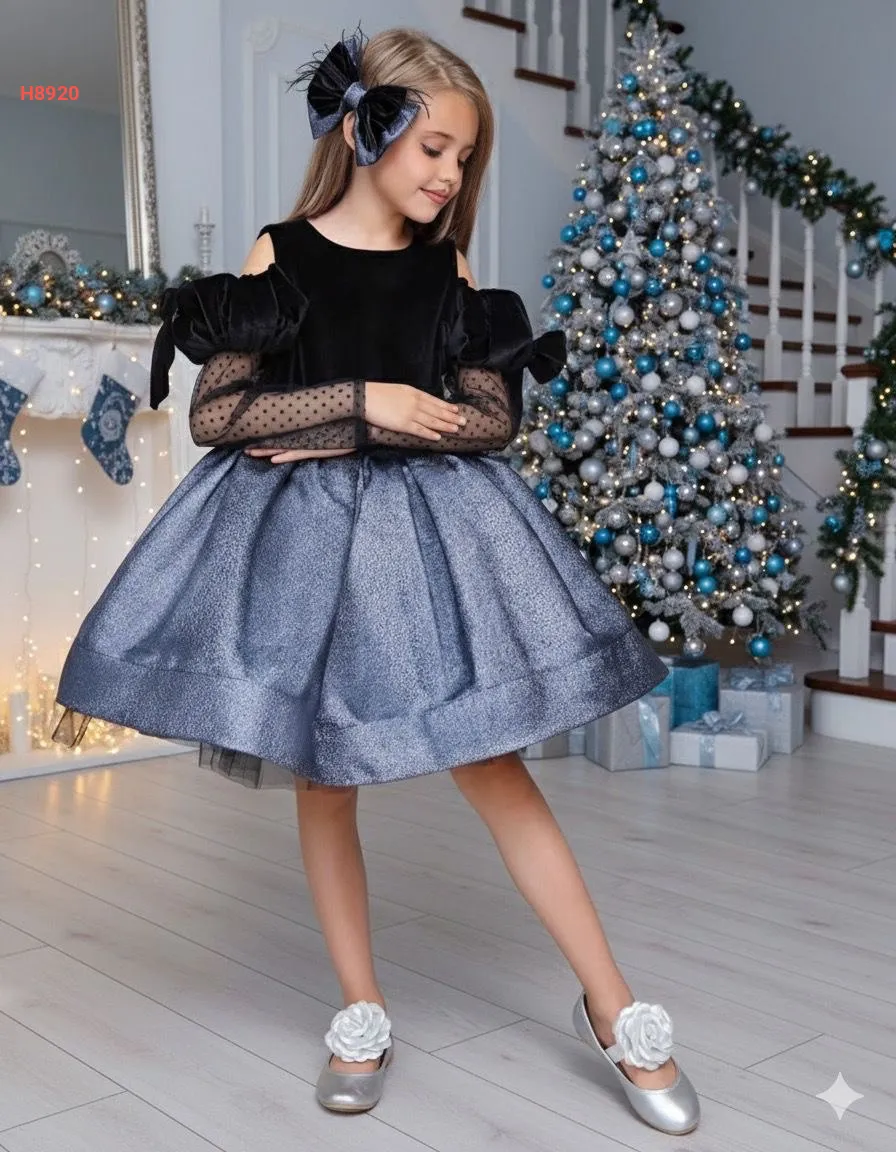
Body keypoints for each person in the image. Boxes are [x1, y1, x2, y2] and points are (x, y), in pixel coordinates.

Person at [51, 25, 699, 1135]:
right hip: (304, 550)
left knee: (491, 760)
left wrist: (354, 423)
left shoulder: (444, 269)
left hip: (428, 546)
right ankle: (360, 1009)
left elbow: (487, 419)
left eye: (464, 158)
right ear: (364, 132)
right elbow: (218, 412)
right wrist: (367, 400)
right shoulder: (281, 253)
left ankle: (611, 1002)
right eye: (434, 149)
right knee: (325, 771)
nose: (449, 176)